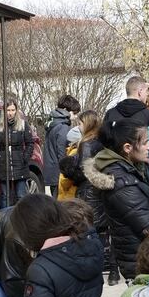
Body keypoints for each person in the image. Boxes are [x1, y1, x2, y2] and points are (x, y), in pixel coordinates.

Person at [86, 120, 149, 280]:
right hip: (142, 262)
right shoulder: (121, 183)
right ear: (127, 148)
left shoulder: (133, 168)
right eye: (145, 142)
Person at [60, 110, 122, 285]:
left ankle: (92, 271)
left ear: (86, 124)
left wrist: (68, 167)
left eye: (79, 123)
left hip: (90, 193)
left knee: (88, 232)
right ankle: (114, 271)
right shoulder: (105, 141)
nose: (77, 126)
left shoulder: (86, 144)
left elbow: (84, 172)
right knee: (109, 230)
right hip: (105, 189)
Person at [0, 98, 35, 209]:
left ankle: (21, 221)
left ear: (16, 111)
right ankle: (3, 222)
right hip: (3, 166)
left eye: (12, 110)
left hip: (20, 165)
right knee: (4, 197)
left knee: (21, 196)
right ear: (4, 111)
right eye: (8, 110)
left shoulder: (22, 124)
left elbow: (30, 143)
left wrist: (25, 157)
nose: (10, 113)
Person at [44, 94, 81, 197]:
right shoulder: (63, 127)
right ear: (65, 110)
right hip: (59, 174)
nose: (76, 116)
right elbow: (62, 153)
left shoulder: (53, 123)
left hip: (51, 171)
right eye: (74, 113)